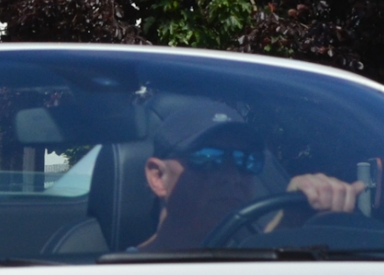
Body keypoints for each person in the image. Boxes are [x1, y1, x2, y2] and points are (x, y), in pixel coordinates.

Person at [133, 106, 359, 251]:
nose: (232, 177)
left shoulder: (249, 267)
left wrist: (292, 220)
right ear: (158, 177)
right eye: (210, 159)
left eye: (246, 161)